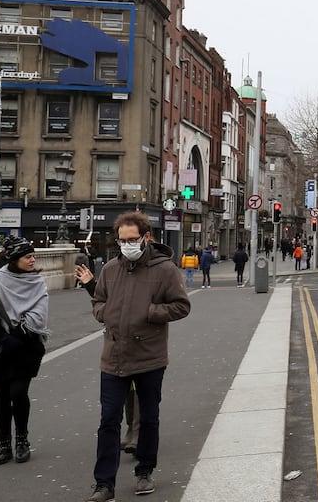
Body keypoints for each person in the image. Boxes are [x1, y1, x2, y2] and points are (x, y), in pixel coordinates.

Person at [86, 211, 191, 502]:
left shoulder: (165, 270)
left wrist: (150, 312)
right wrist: (105, 313)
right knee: (108, 420)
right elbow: (98, 300)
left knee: (148, 418)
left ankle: (144, 471)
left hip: (149, 357)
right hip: (114, 356)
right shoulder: (110, 269)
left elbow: (181, 306)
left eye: (132, 240)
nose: (127, 245)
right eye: (122, 240)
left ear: (146, 237)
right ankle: (104, 484)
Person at [0, 236, 49, 466]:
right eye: (28, 256)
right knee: (1, 396)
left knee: (18, 392)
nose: (33, 260)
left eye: (33, 256)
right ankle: (4, 444)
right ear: (15, 259)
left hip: (27, 345)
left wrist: (18, 334)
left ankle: (22, 439)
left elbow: (39, 314)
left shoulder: (37, 282)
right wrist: (4, 338)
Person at [75, 262, 139, 457]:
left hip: (142, 337)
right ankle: (132, 429)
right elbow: (109, 299)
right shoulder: (115, 268)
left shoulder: (152, 267)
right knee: (128, 385)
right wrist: (90, 284)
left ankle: (138, 432)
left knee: (139, 384)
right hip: (118, 337)